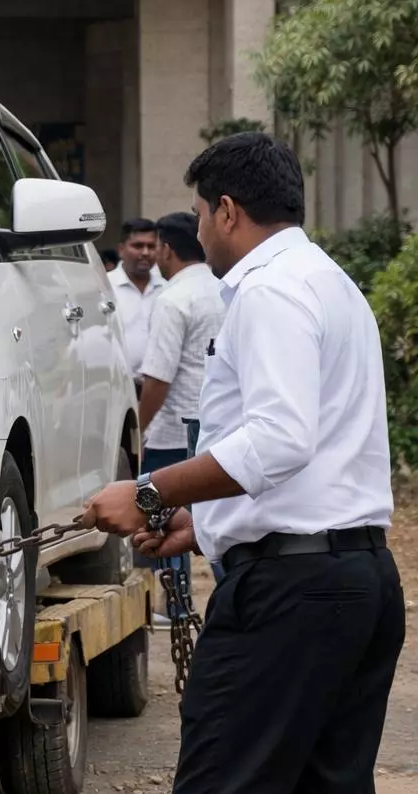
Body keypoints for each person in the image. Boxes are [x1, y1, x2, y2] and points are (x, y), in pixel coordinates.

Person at [82, 132, 403, 794]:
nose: (198, 230)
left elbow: (281, 438)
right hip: (357, 580)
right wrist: (203, 524)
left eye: (200, 215)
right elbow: (326, 455)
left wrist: (147, 493)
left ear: (226, 210)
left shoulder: (269, 291)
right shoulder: (331, 283)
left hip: (292, 599)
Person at [133, 211, 225, 619]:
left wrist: (139, 429)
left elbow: (157, 378)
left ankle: (176, 605)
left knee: (165, 517)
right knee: (219, 517)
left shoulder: (172, 299)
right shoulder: (225, 288)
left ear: (166, 250)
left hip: (175, 431)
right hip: (220, 425)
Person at [107, 217, 165, 392]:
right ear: (121, 249)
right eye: (138, 246)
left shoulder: (167, 289)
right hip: (117, 389)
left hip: (160, 391)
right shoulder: (104, 288)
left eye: (151, 246)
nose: (146, 252)